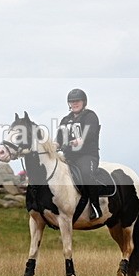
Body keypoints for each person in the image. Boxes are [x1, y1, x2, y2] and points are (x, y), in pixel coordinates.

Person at [55, 88, 102, 219]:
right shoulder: (65, 120)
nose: (74, 104)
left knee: (86, 173)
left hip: (87, 156)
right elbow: (59, 139)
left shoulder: (90, 116)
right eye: (72, 101)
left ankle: (95, 207)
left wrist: (79, 140)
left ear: (84, 102)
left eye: (77, 101)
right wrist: (53, 145)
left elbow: (90, 133)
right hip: (69, 157)